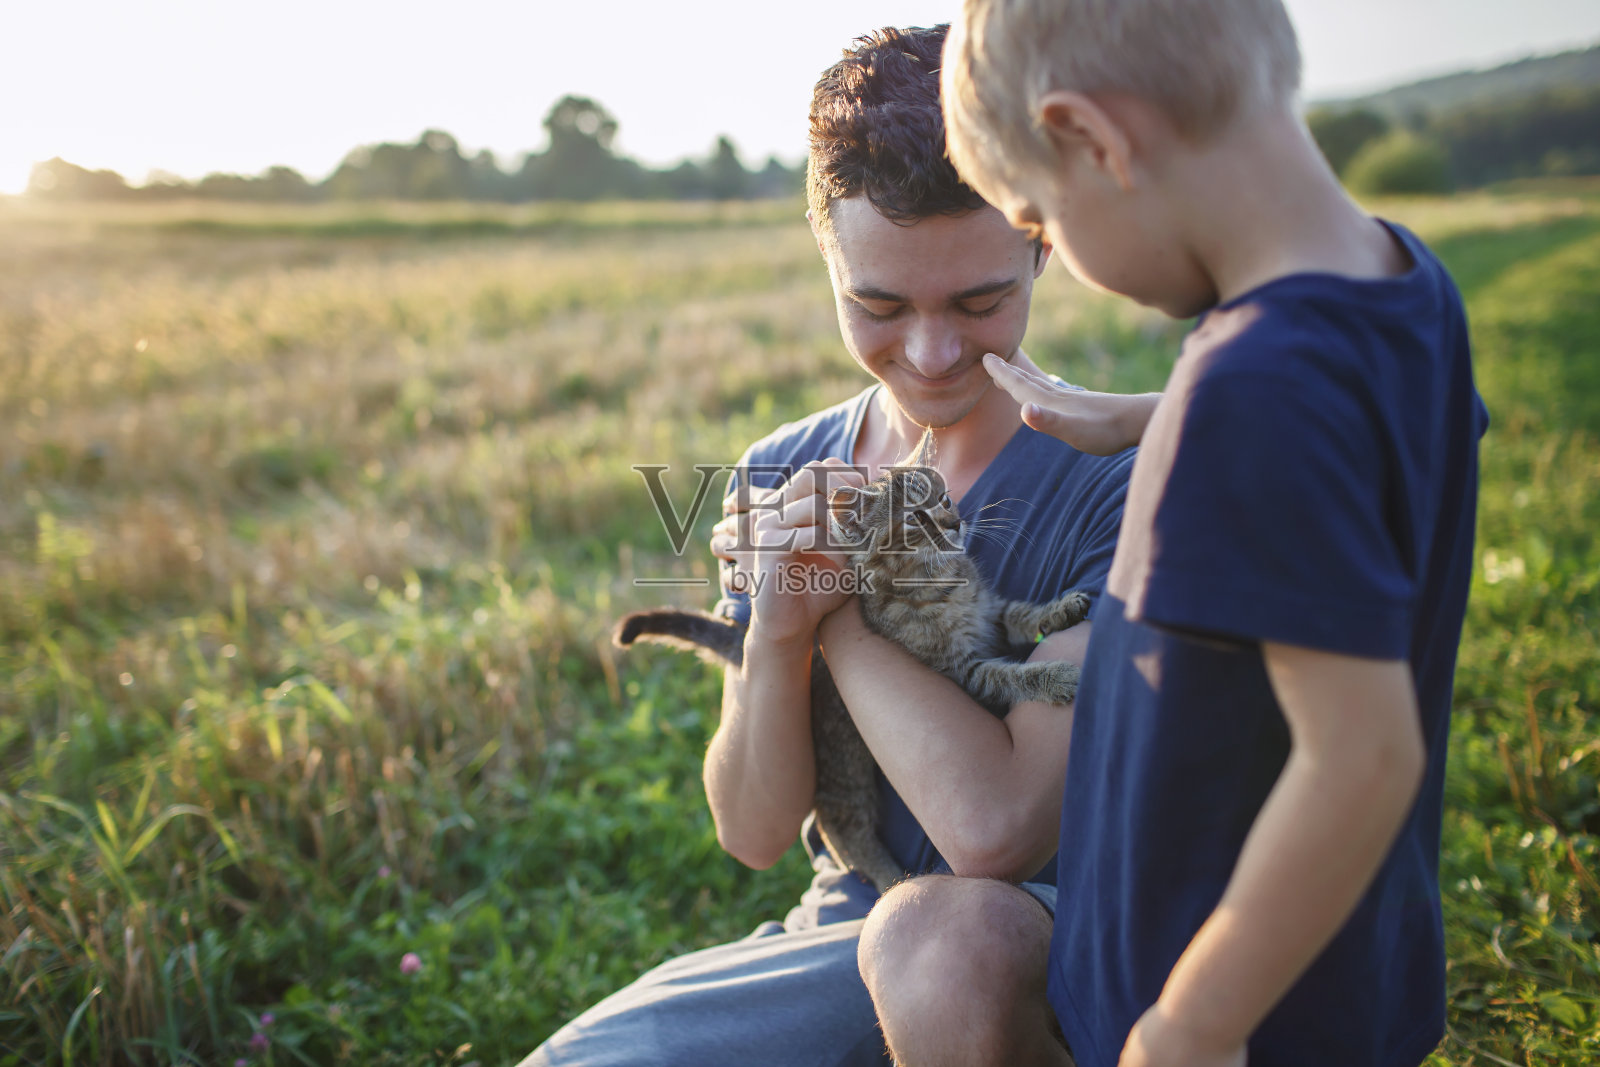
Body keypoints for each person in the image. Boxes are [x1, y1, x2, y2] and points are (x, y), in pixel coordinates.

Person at [855, 2, 1490, 1065]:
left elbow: (1364, 757)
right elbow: (1383, 432)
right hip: (1346, 958)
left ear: (1094, 142)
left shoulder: (1255, 389)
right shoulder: (1398, 280)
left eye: (1038, 220)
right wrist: (1164, 408)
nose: (1055, 250)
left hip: (1232, 994)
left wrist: (1196, 1021)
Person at [521, 25, 1138, 1067]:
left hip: (1051, 939)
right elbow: (755, 829)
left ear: (1039, 240)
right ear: (827, 258)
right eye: (879, 305)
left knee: (945, 947)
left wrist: (834, 606)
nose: (933, 353)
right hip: (842, 935)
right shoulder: (783, 465)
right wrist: (774, 630)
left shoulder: (1119, 476)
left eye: (979, 300)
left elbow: (996, 834)